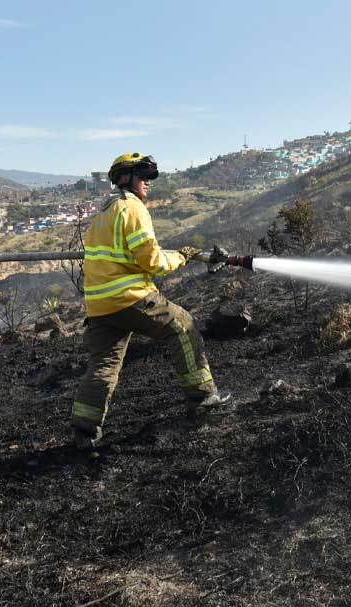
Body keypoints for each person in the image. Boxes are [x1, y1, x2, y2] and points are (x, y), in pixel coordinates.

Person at [71, 152, 232, 449]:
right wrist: (183, 255)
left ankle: (85, 432)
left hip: (99, 305)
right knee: (183, 326)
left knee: (103, 365)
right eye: (142, 176)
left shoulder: (103, 213)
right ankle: (203, 397)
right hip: (130, 298)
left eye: (149, 177)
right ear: (124, 178)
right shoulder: (131, 208)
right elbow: (153, 261)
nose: (147, 182)